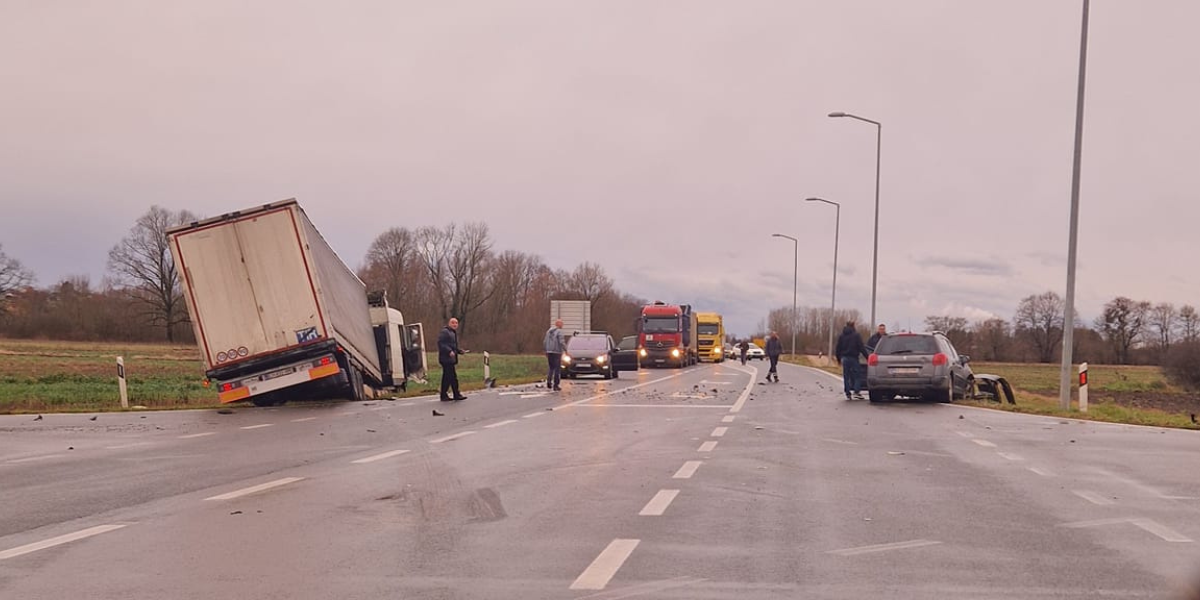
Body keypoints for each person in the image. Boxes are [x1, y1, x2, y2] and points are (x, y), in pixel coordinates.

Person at [437, 317, 468, 401]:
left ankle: (444, 395)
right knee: (452, 377)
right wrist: (449, 351)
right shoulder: (445, 332)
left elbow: (453, 346)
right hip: (446, 359)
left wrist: (459, 351)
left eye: (456, 323)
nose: (455, 325)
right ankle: (456, 394)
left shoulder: (452, 333)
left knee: (447, 377)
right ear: (449, 323)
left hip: (450, 359)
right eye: (453, 323)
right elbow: (441, 343)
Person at [835, 321, 867, 400]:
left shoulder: (842, 336)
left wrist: (838, 359)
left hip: (844, 358)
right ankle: (856, 391)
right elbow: (861, 347)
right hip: (854, 358)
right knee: (857, 375)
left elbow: (838, 348)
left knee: (846, 376)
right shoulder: (856, 335)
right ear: (853, 326)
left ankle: (847, 392)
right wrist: (867, 357)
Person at [543, 319, 566, 391]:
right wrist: (566, 349)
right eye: (562, 324)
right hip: (557, 352)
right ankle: (556, 385)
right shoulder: (559, 332)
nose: (563, 325)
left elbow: (545, 341)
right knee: (557, 369)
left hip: (549, 352)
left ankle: (549, 381)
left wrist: (546, 350)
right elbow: (561, 342)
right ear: (559, 324)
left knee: (551, 367)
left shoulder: (548, 331)